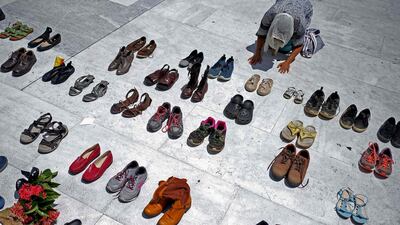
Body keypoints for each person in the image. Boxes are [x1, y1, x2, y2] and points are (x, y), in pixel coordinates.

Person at [248, 0, 313, 74]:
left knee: (285, 49)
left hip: (304, 5)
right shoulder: (270, 15)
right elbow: (261, 34)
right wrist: (257, 53)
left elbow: (299, 45)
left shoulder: (300, 25)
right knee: (270, 43)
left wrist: (287, 62)